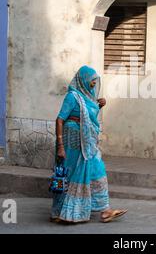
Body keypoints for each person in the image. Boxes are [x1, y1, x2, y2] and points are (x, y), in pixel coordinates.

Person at [50, 65, 127, 224]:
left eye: (95, 81)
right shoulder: (72, 97)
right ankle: (60, 213)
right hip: (72, 144)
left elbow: (88, 117)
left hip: (88, 145)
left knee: (98, 170)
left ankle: (105, 210)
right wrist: (60, 145)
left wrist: (98, 106)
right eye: (91, 81)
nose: (93, 84)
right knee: (68, 175)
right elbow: (60, 119)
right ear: (83, 80)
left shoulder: (88, 98)